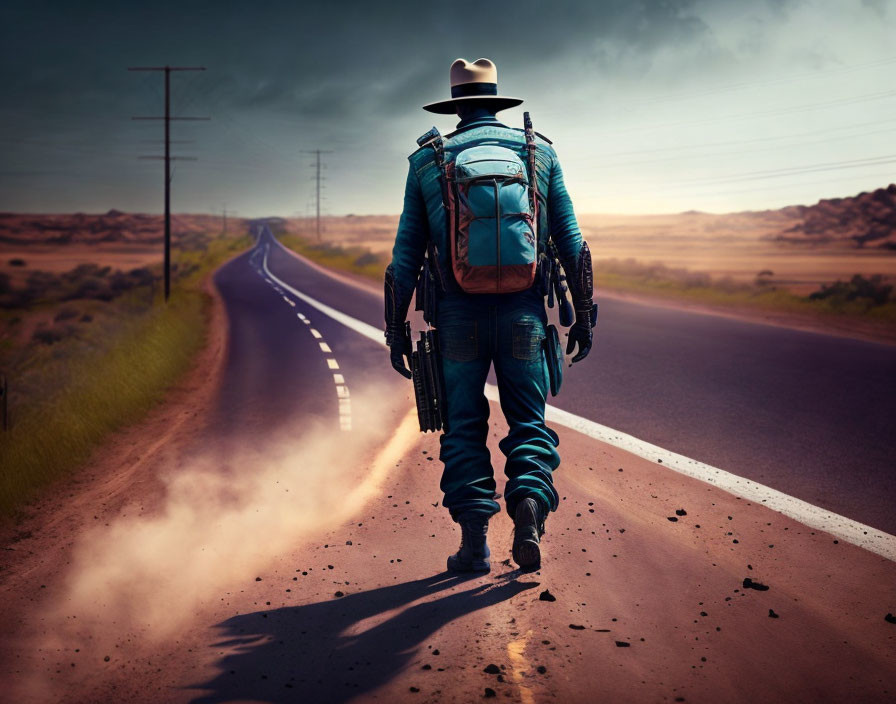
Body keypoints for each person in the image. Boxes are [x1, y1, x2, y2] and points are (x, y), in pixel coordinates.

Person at [384, 58, 595, 572]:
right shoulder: (539, 152)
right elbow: (572, 242)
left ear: (456, 107)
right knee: (529, 420)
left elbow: (404, 257)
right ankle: (528, 509)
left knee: (461, 425)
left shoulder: (427, 163)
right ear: (498, 103)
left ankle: (474, 541)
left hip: (457, 317)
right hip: (524, 313)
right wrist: (583, 313)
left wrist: (395, 331)